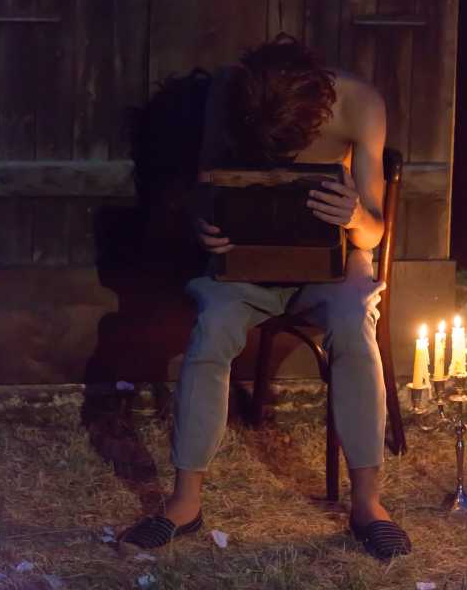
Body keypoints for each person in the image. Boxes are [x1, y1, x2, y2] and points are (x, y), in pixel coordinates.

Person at [120, 36, 411, 559]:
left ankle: (368, 504)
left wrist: (352, 215)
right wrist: (203, 225)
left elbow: (372, 233)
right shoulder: (228, 94)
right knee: (212, 328)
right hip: (246, 264)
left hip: (333, 267)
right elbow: (205, 189)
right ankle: (184, 503)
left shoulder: (360, 103)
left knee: (353, 322)